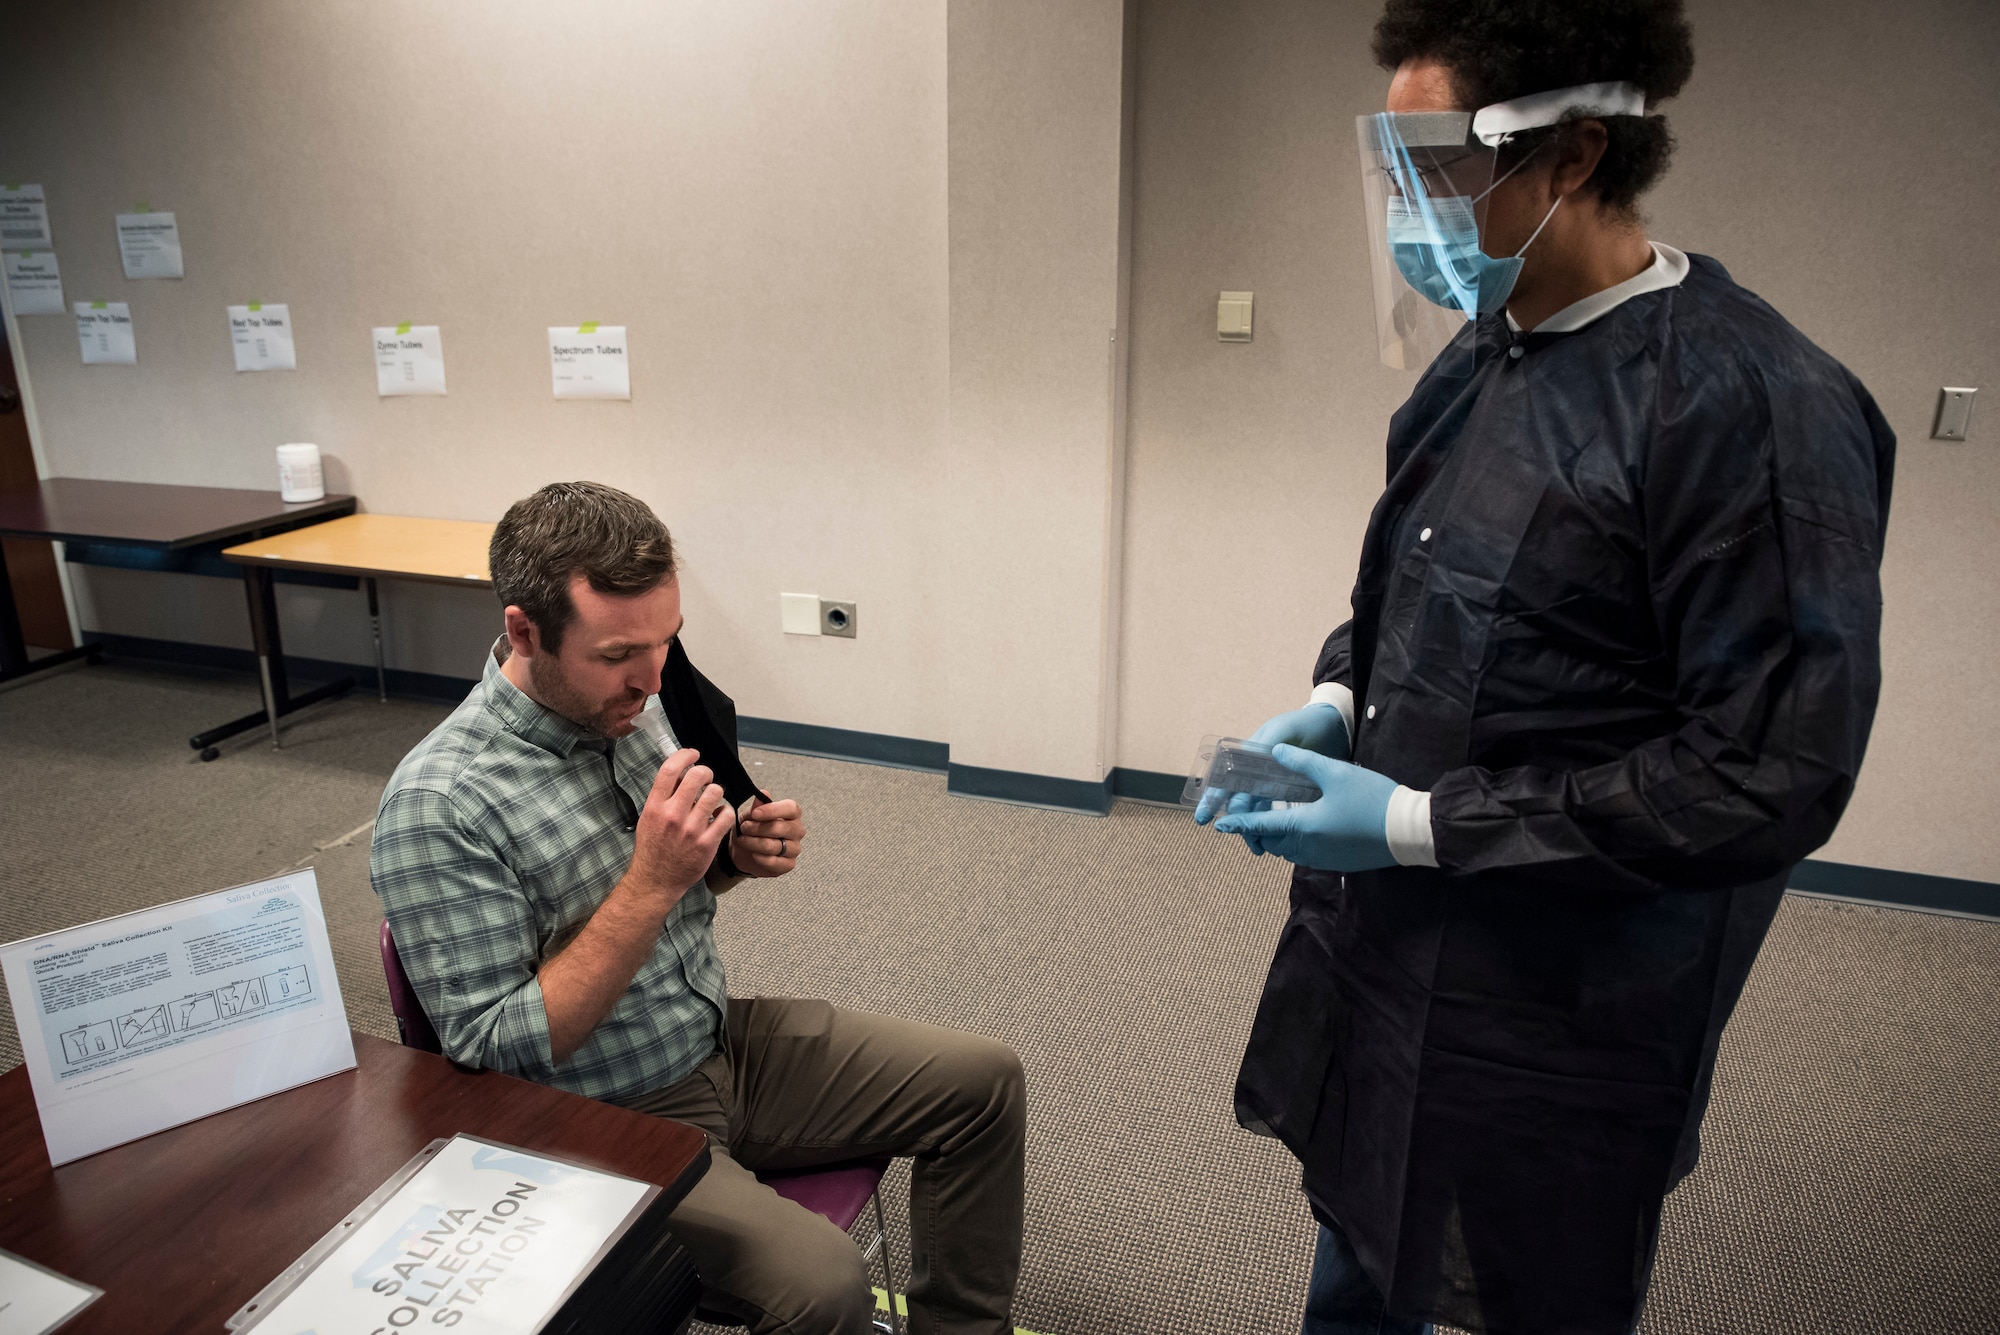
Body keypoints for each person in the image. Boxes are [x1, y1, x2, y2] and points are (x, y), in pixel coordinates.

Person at [1195, 3, 1895, 1333]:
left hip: (1565, 999)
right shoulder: (1484, 354)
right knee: (1365, 1231)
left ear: (1572, 155)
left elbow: (1764, 771)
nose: (1405, 202)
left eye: (1435, 165)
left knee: (1525, 1276)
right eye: (1390, 165)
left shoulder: (1747, 407)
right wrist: (1346, 700)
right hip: (1398, 945)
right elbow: (1408, 587)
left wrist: (1410, 819)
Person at [370, 482, 1026, 1335]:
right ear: (524, 630)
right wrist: (650, 879)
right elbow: (495, 1050)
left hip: (712, 1040)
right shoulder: (440, 804)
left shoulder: (632, 706)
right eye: (617, 654)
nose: (651, 678)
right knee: (826, 1284)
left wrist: (731, 861)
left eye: (666, 642)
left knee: (983, 1083)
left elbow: (679, 892)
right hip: (598, 1116)